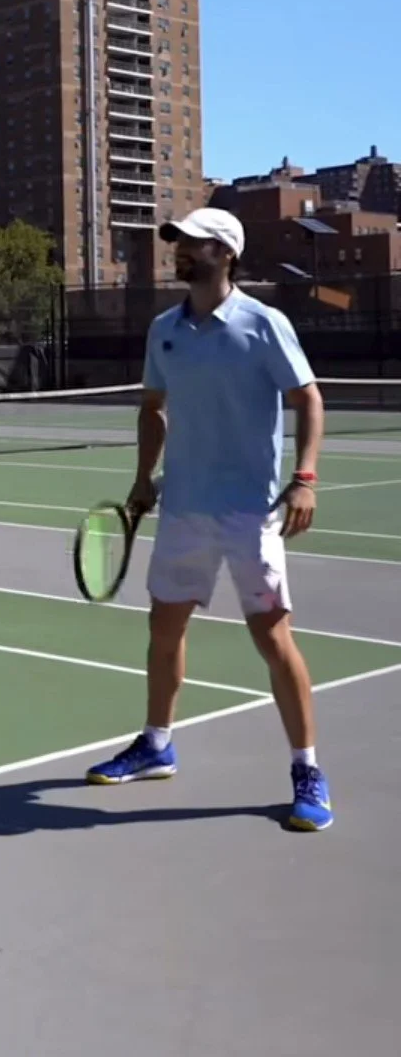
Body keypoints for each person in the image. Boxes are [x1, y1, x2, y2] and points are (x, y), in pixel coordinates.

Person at [84, 207, 333, 832]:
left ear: (224, 253)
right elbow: (153, 408)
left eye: (191, 244)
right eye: (178, 244)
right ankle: (157, 744)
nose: (179, 253)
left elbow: (308, 398)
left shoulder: (263, 323)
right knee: (163, 627)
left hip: (250, 512)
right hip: (184, 510)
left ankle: (307, 769)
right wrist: (144, 479)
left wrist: (304, 477)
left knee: (273, 638)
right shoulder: (164, 328)